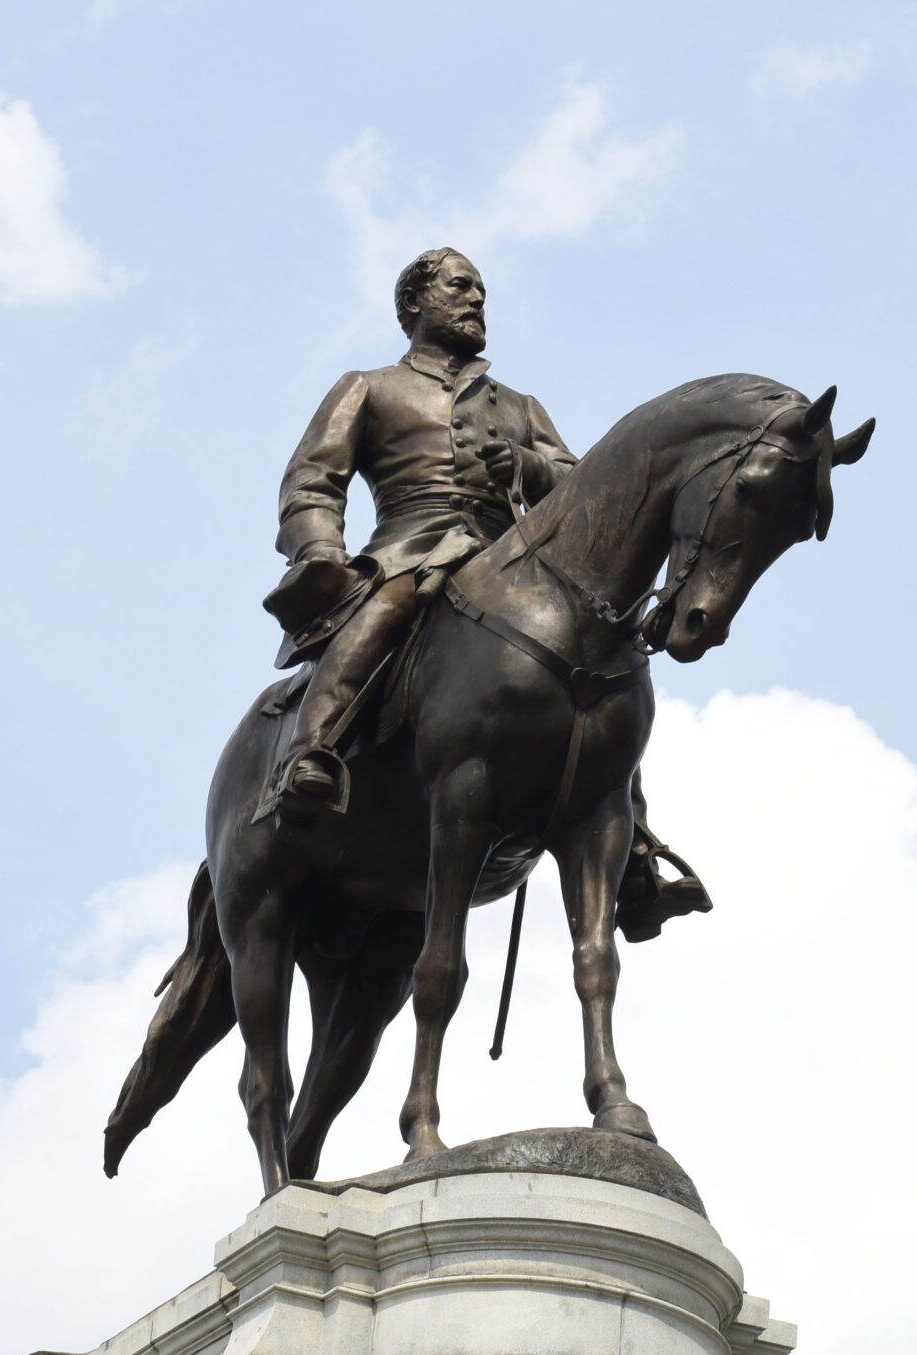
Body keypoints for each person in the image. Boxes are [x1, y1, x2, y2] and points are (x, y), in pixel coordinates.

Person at [261, 248, 710, 939]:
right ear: (416, 304)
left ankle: (638, 861)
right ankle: (311, 754)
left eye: (482, 292)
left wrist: (527, 463)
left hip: (514, 565)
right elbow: (312, 481)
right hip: (413, 548)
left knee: (602, 671)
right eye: (460, 288)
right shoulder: (371, 387)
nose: (476, 301)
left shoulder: (519, 406)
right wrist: (323, 551)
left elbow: (586, 486)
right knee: (390, 606)